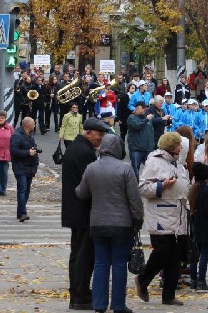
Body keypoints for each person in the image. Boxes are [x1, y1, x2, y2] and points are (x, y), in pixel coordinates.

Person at [75, 133, 143, 313]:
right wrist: (138, 220)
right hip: (122, 225)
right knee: (119, 265)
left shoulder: (91, 168)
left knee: (100, 264)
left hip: (98, 223)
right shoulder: (125, 168)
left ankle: (99, 304)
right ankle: (118, 305)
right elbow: (134, 199)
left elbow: (81, 193)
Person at [135, 131, 190, 307]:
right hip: (160, 215)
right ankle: (143, 279)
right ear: (171, 146)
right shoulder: (154, 162)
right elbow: (142, 188)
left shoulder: (178, 164)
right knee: (162, 251)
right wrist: (161, 185)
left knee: (174, 257)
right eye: (179, 144)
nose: (181, 147)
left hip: (178, 216)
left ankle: (169, 295)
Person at [62, 117, 109, 310]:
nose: (101, 138)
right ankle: (80, 295)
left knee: (78, 254)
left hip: (76, 210)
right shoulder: (84, 152)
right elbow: (90, 182)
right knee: (84, 255)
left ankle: (77, 294)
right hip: (83, 211)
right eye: (99, 134)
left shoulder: (77, 148)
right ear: (88, 133)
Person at [188, 161, 208, 291]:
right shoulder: (207, 190)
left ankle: (193, 279)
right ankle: (201, 280)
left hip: (195, 224)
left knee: (195, 254)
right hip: (206, 226)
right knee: (204, 254)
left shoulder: (194, 189)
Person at [11, 117, 39, 222]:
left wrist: (35, 162)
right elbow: (13, 151)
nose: (34, 125)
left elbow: (33, 148)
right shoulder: (17, 136)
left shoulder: (30, 135)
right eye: (33, 124)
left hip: (30, 167)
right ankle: (23, 213)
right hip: (20, 167)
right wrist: (28, 153)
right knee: (22, 189)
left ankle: (20, 212)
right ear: (28, 125)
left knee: (26, 191)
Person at [127, 101, 155, 179]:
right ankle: (135, 186)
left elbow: (151, 132)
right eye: (142, 108)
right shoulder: (131, 117)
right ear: (137, 108)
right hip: (136, 149)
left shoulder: (147, 118)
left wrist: (152, 146)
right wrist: (146, 119)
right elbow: (137, 126)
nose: (144, 110)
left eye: (145, 108)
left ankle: (146, 185)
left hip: (147, 149)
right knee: (135, 170)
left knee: (150, 170)